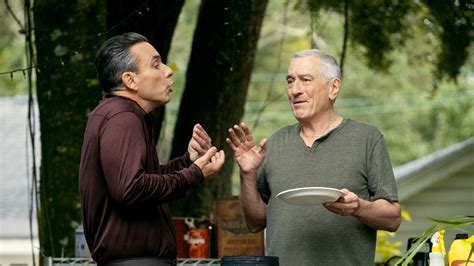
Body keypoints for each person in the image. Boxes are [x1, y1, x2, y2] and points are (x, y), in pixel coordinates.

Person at [226, 49, 401, 265]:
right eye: (290, 81)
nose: (294, 90)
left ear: (333, 88)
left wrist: (358, 207)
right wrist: (247, 173)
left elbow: (393, 218)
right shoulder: (276, 143)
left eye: (305, 80)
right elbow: (255, 222)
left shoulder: (366, 139)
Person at [79, 32, 225, 265]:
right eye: (156, 64)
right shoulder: (122, 117)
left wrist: (189, 162)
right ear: (130, 80)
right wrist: (193, 174)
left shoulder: (119, 114)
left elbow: (142, 180)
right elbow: (130, 188)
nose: (168, 70)